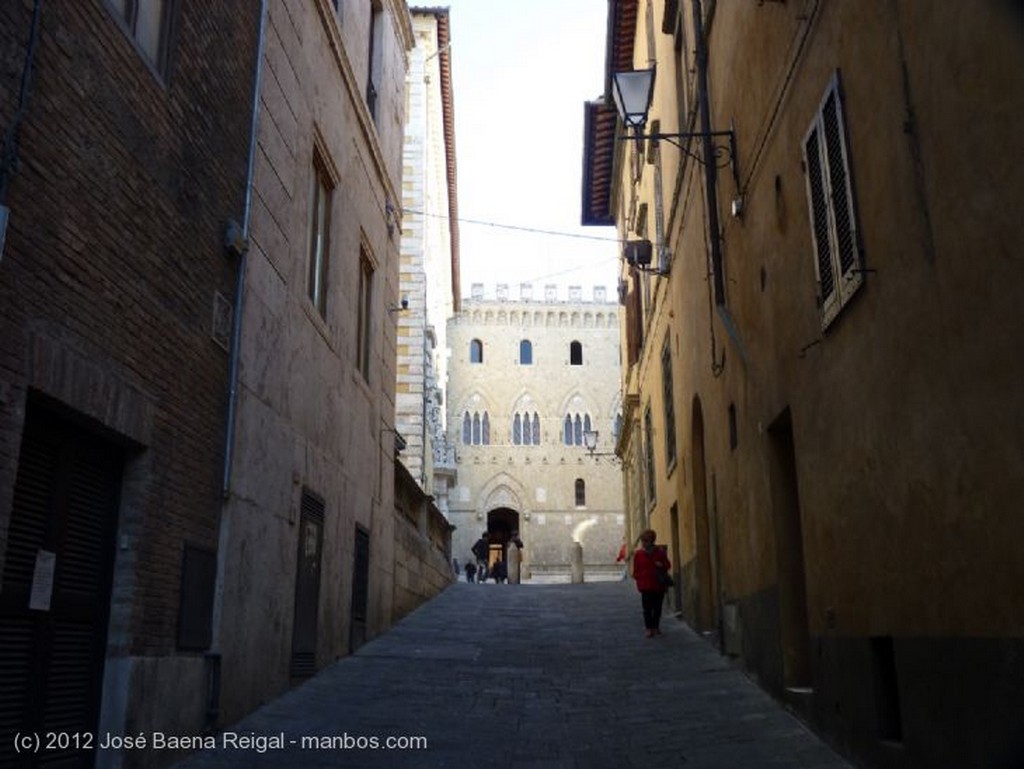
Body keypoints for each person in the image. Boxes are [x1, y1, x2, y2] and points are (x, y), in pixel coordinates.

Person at [631, 529, 671, 638]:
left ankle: (656, 627)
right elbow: (635, 571)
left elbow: (668, 565)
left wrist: (661, 565)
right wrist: (640, 580)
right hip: (645, 586)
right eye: (643, 541)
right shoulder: (638, 554)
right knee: (647, 609)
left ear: (652, 540)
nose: (644, 543)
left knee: (657, 607)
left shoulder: (660, 552)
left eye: (647, 540)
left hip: (658, 585)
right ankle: (649, 628)